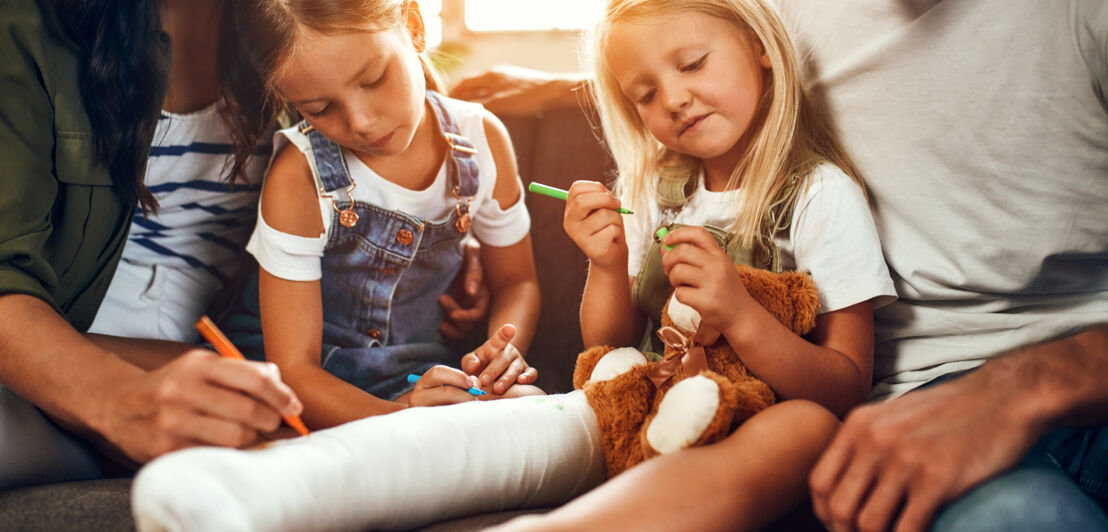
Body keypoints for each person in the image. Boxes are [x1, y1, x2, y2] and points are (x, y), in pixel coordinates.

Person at [455, 2, 1108, 531]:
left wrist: (738, 314)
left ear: (762, 49)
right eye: (646, 95)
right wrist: (606, 262)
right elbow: (608, 340)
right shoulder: (656, 187)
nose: (675, 99)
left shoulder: (819, 194)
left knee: (801, 427)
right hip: (665, 396)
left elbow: (844, 383)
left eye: (692, 65)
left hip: (770, 409)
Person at [0, 0, 303, 490]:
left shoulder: (299, 22)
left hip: (232, 385)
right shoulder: (26, 25)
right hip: (55, 376)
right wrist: (122, 402)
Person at [215, 0, 543, 430]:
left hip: (416, 374)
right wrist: (402, 417)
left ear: (413, 24)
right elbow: (293, 372)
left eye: (372, 79)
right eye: (320, 108)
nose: (363, 122)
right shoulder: (298, 178)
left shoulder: (482, 140)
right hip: (308, 390)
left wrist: (498, 356)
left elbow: (517, 282)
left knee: (528, 404)